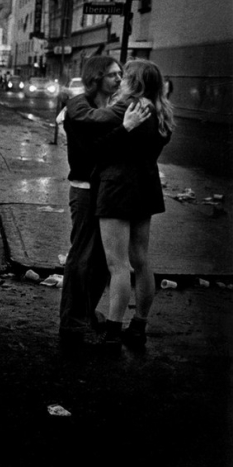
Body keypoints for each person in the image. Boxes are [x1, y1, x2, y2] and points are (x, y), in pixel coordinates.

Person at [57, 55, 150, 346]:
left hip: (106, 191)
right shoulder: (80, 106)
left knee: (102, 260)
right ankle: (72, 321)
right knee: (83, 255)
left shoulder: (110, 106)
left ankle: (86, 313)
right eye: (112, 74)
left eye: (120, 73)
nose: (118, 78)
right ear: (96, 77)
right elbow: (94, 152)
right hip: (85, 188)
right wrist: (126, 128)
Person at [94, 59, 174, 350]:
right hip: (146, 187)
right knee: (141, 261)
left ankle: (113, 330)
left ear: (134, 81)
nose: (120, 81)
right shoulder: (161, 113)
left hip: (117, 188)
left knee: (118, 265)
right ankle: (138, 326)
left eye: (125, 76)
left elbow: (98, 147)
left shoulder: (127, 110)